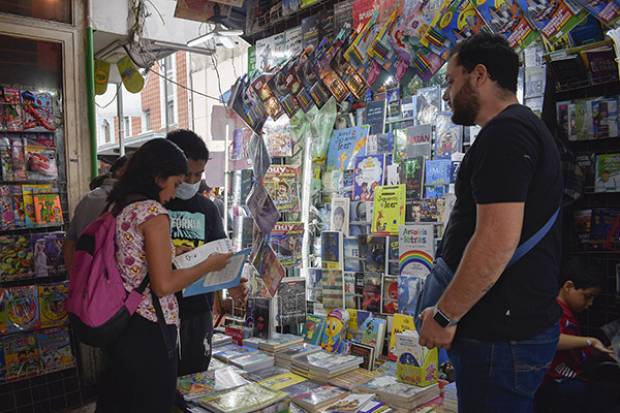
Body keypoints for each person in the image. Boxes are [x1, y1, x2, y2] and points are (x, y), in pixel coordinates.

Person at [417, 33, 563, 412]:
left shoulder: (507, 134)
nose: (447, 95)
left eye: (451, 81)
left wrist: (446, 314)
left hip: (501, 338)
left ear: (478, 75)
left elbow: (496, 240)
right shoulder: (519, 130)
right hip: (509, 333)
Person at [95, 139, 231, 413]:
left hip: (125, 324)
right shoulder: (154, 213)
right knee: (154, 401)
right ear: (158, 178)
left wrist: (171, 251)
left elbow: (135, 260)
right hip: (151, 328)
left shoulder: (121, 206)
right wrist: (208, 264)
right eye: (175, 183)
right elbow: (163, 285)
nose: (176, 191)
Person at [165, 129, 247, 378]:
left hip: (199, 312)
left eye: (198, 175)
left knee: (197, 379)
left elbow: (221, 254)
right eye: (186, 174)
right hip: (160, 314)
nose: (191, 182)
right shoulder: (153, 205)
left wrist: (233, 282)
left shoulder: (208, 208)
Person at [535, 259, 619, 413]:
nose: (590, 303)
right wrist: (590, 341)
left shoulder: (569, 313)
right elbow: (551, 339)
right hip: (555, 381)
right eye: (587, 296)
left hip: (570, 377)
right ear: (568, 287)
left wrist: (599, 351)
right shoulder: (553, 311)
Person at [63, 155, 128, 270]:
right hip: (110, 281)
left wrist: (74, 278)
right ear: (120, 172)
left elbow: (69, 243)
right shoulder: (127, 202)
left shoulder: (89, 198)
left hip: (85, 275)